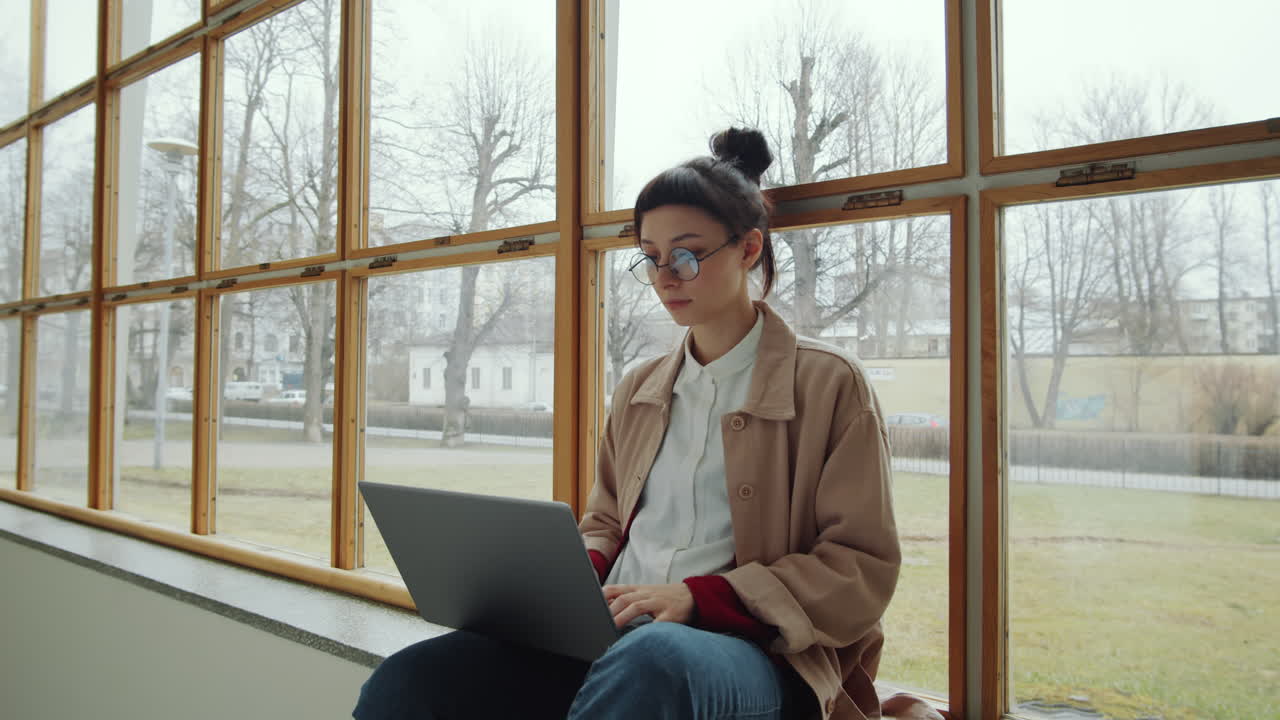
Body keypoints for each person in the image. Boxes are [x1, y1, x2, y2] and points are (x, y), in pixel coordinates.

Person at [353, 127, 911, 720]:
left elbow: (859, 567)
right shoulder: (640, 388)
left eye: (688, 255)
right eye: (650, 257)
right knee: (413, 679)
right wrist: (574, 577)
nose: (666, 277)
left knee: (654, 660)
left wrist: (700, 599)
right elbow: (605, 520)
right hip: (613, 632)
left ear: (748, 250)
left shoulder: (830, 384)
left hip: (759, 654)